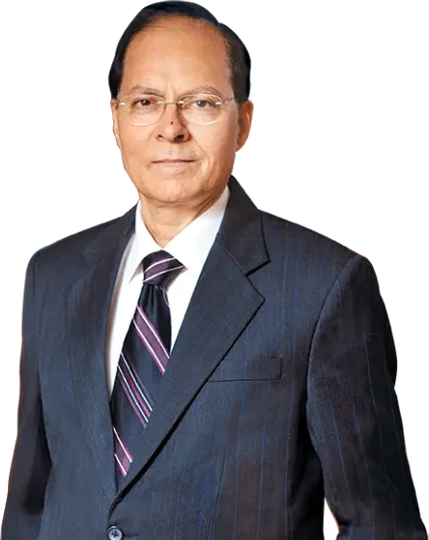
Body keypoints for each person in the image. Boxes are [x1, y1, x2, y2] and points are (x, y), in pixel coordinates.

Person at [1, 2, 427, 539]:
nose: (170, 128)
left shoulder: (323, 288)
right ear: (115, 119)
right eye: (145, 102)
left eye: (201, 102)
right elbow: (32, 502)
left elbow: (381, 525)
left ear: (245, 120)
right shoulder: (53, 276)